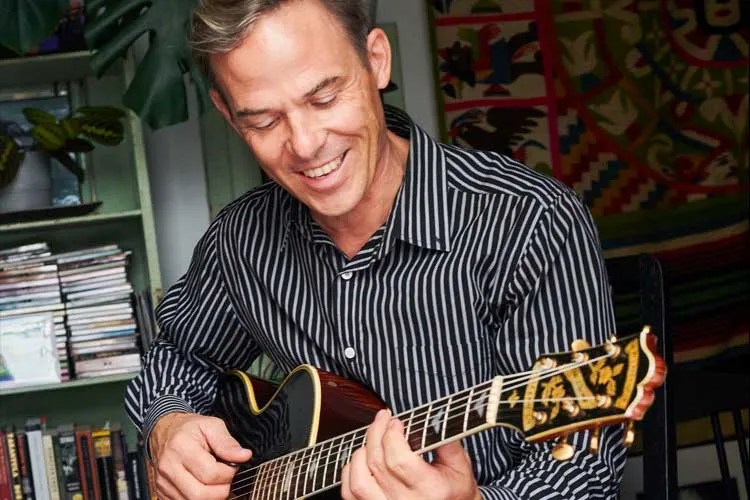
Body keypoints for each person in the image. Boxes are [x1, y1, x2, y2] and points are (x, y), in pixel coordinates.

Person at [125, 0, 628, 498]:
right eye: (263, 122)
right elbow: (179, 355)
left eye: (323, 98)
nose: (304, 144)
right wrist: (168, 423)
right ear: (229, 116)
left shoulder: (529, 222)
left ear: (377, 61)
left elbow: (583, 470)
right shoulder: (242, 240)